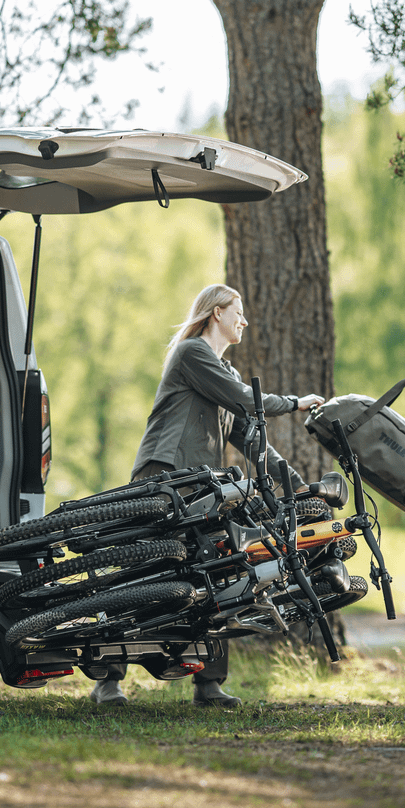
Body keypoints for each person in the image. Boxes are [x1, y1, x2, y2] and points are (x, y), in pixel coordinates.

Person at [89, 283, 324, 708]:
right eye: (238, 311)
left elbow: (248, 435)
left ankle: (209, 683)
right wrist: (294, 403)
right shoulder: (192, 354)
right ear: (216, 312)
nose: (244, 321)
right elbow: (246, 402)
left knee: (219, 572)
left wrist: (295, 483)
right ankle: (107, 680)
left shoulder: (223, 370)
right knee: (140, 573)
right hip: (163, 474)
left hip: (202, 485)